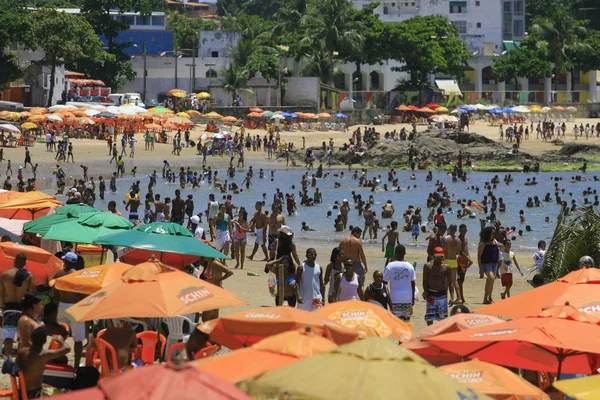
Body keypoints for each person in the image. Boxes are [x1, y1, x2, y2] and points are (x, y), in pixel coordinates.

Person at [16, 327, 70, 399]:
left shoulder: (22, 352)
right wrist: (60, 340)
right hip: (35, 394)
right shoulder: (43, 355)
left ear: (31, 339)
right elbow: (67, 349)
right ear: (45, 341)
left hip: (22, 392)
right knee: (67, 393)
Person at [53, 252, 85, 368]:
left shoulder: (58, 275)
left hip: (62, 305)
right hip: (76, 307)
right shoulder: (80, 276)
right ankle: (76, 366)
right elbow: (82, 296)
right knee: (78, 339)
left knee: (60, 336)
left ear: (66, 262)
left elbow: (55, 296)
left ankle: (56, 360)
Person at [0, 253, 36, 356]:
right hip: (22, 309)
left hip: (9, 308)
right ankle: (20, 359)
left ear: (14, 261)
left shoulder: (5, 275)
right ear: (25, 263)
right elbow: (32, 294)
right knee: (22, 337)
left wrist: (2, 307)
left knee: (8, 336)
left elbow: (1, 295)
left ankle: (8, 359)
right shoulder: (29, 276)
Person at [383, 245, 416, 322]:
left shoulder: (390, 266)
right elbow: (413, 283)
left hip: (394, 298)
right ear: (405, 253)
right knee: (406, 321)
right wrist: (413, 298)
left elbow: (384, 283)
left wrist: (386, 297)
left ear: (395, 253)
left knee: (396, 322)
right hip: (407, 298)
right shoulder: (410, 266)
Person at [422, 247, 451, 326]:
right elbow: (425, 281)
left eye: (440, 256)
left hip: (442, 294)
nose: (439, 258)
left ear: (443, 256)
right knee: (429, 317)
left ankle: (439, 334)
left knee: (442, 318)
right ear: (433, 256)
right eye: (437, 256)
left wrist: (452, 297)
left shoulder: (446, 267)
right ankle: (430, 332)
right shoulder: (428, 266)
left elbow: (450, 282)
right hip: (431, 293)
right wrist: (426, 292)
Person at [478, 226, 500, 305]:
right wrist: (480, 269)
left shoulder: (495, 242)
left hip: (494, 264)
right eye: (493, 233)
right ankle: (489, 298)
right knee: (491, 278)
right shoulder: (483, 243)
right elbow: (479, 256)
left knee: (490, 281)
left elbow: (500, 249)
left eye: (495, 233)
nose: (494, 234)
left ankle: (486, 298)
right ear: (488, 234)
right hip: (486, 263)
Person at [443, 224, 461, 306]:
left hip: (447, 260)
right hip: (454, 261)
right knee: (454, 281)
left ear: (449, 229)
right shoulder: (458, 240)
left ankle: (446, 298)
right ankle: (459, 298)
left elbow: (444, 251)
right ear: (456, 230)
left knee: (446, 281)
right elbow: (457, 253)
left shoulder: (446, 239)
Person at [456, 224, 473, 304]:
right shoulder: (458, 239)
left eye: (464, 230)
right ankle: (461, 298)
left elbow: (466, 250)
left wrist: (469, 259)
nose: (463, 231)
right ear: (459, 230)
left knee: (462, 280)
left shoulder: (465, 238)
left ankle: (460, 297)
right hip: (460, 261)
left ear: (466, 230)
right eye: (462, 230)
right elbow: (460, 252)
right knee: (460, 280)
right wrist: (469, 259)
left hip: (465, 261)